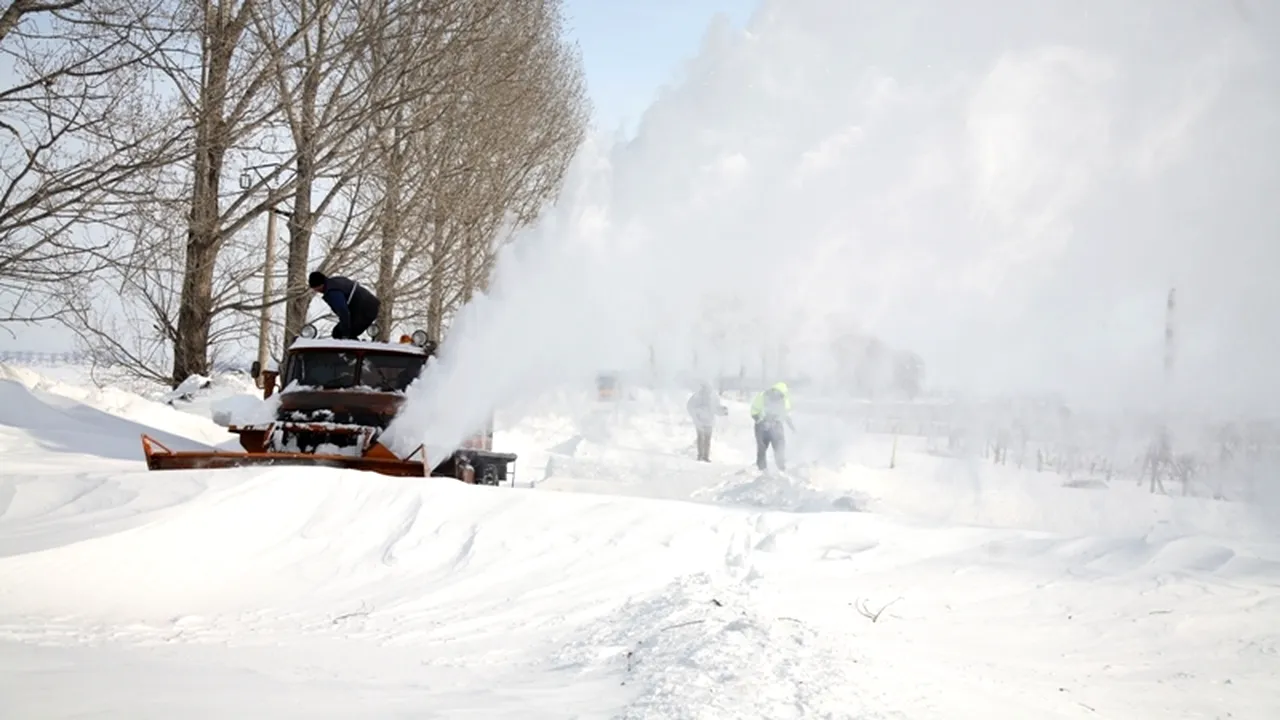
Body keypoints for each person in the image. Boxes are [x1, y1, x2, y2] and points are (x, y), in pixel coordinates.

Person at [308, 271, 381, 340]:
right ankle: (353, 345)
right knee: (340, 332)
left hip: (365, 310)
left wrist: (345, 334)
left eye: (315, 288)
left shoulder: (332, 292)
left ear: (320, 285)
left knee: (339, 333)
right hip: (367, 306)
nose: (316, 291)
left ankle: (352, 349)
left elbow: (343, 311)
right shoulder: (335, 281)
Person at [750, 381, 795, 471]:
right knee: (763, 448)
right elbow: (754, 411)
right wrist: (760, 420)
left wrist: (792, 427)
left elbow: (786, 414)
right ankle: (762, 469)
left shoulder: (783, 399)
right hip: (762, 425)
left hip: (774, 425)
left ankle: (780, 468)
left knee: (778, 447)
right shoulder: (763, 396)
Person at [686, 383, 728, 462]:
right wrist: (696, 415)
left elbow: (716, 408)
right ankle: (700, 455)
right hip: (699, 421)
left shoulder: (713, 397)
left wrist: (722, 411)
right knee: (701, 438)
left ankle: (706, 456)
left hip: (709, 421)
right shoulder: (696, 397)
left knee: (707, 439)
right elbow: (690, 406)